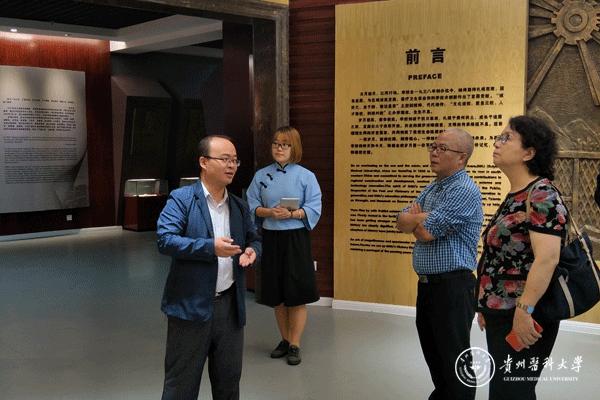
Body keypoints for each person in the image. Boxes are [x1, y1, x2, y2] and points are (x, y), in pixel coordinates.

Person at [157, 135, 261, 400]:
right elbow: (165, 240)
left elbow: (254, 239)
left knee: (228, 384)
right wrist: (209, 247)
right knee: (181, 387)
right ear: (204, 162)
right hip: (190, 308)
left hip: (229, 308)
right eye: (225, 159)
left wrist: (253, 251)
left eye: (235, 160)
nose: (232, 165)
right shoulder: (181, 199)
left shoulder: (239, 206)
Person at [477, 116, 567, 400]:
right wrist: (485, 302)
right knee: (507, 390)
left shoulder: (541, 194)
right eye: (499, 137)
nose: (497, 143)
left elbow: (547, 259)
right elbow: (499, 257)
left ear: (529, 153)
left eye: (507, 138)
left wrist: (524, 310)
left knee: (512, 391)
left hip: (525, 313)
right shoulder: (517, 195)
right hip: (502, 311)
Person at [396, 127, 483, 400]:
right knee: (434, 354)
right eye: (433, 146)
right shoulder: (434, 186)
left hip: (453, 287)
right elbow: (401, 221)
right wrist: (418, 218)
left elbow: (425, 232)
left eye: (442, 148)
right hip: (429, 286)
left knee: (454, 359)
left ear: (462, 157)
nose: (434, 152)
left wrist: (418, 219)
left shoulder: (464, 189)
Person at [246, 126, 321, 366]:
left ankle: (295, 344)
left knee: (296, 294)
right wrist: (269, 212)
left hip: (296, 239)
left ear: (294, 147)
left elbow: (314, 207)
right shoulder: (261, 175)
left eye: (285, 144)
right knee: (277, 294)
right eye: (276, 143)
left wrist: (294, 214)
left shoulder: (306, 176)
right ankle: (285, 340)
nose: (279, 148)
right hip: (271, 238)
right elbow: (251, 205)